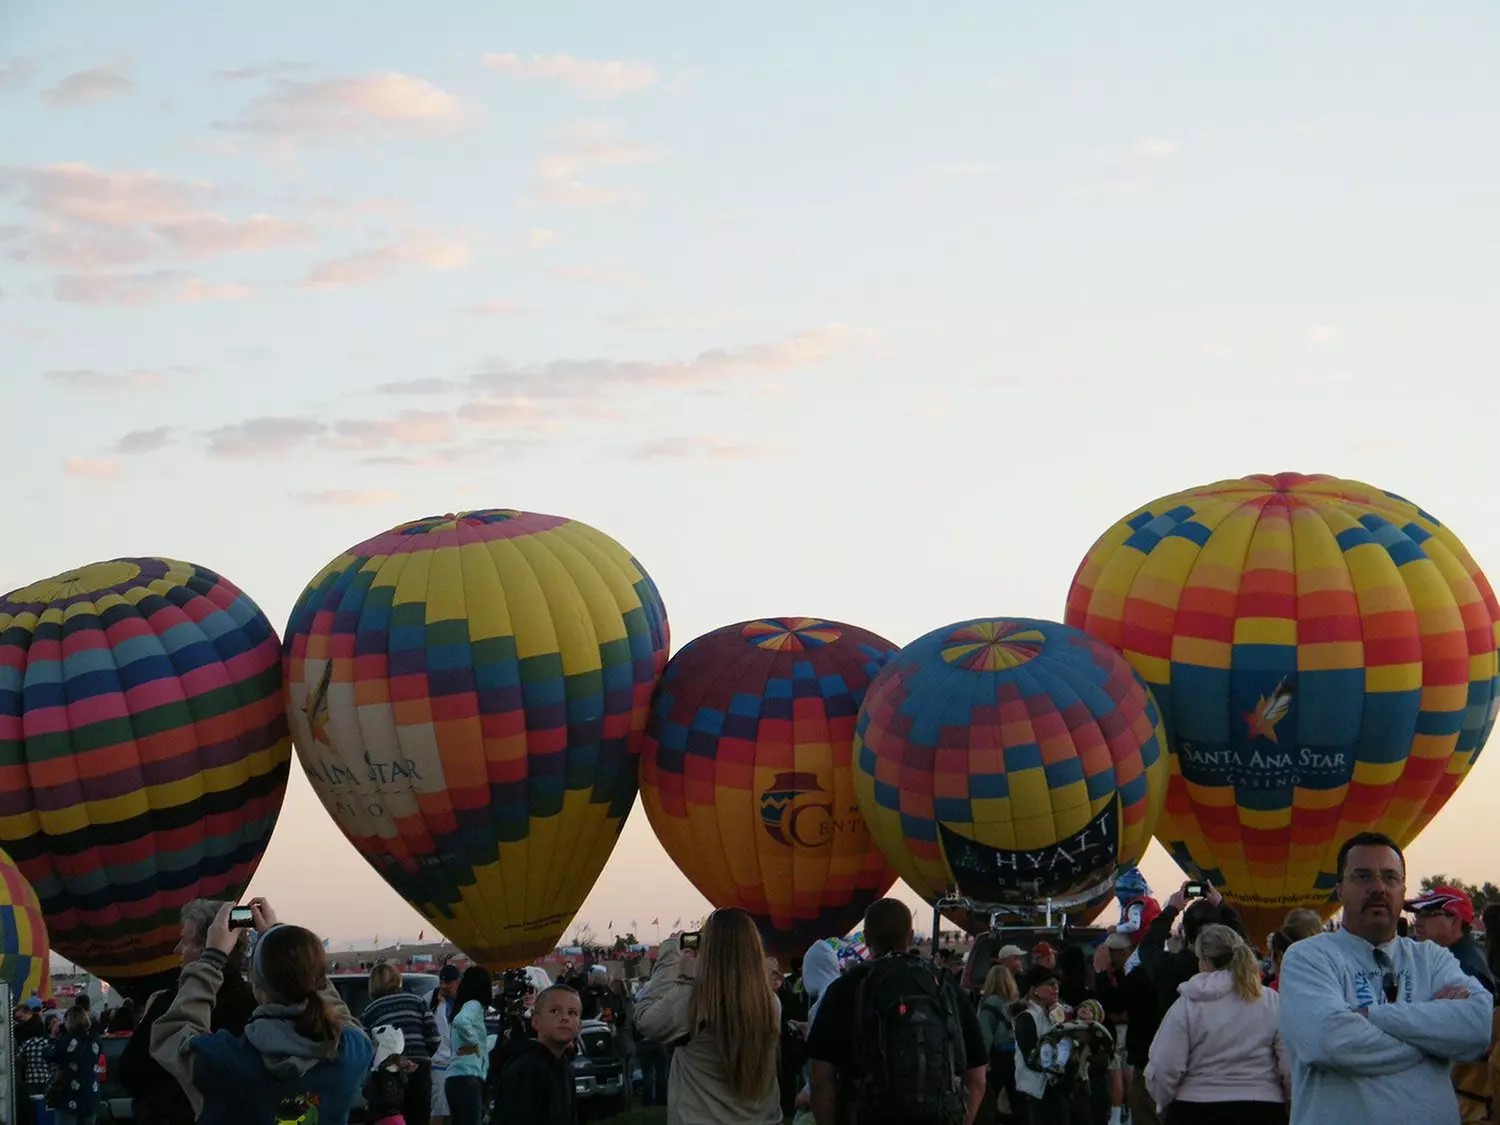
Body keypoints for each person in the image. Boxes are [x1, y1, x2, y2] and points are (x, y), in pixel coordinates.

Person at [1276, 831, 1492, 1124]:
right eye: (1363, 876)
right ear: (1339, 890)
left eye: (1390, 877)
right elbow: (1329, 1043)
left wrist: (1370, 1015)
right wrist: (1432, 1037)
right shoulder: (1307, 958)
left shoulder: (1432, 957)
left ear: (1403, 890)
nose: (1378, 887)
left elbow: (1477, 1028)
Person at [149, 897, 373, 1125]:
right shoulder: (351, 1052)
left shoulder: (228, 1060)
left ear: (257, 989)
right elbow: (342, 1017)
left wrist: (212, 958)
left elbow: (172, 1033)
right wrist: (284, 942)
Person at [806, 898, 986, 1125]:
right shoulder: (944, 986)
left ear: (867, 938)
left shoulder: (846, 989)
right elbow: (977, 1078)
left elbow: (821, 1077)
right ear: (910, 936)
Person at [635, 907, 783, 1123]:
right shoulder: (770, 1003)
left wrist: (672, 963)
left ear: (709, 948)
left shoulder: (695, 1001)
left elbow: (644, 1019)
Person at [121, 898, 258, 1125]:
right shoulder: (258, 1007)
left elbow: (132, 1072)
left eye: (185, 942)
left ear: (210, 946)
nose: (177, 950)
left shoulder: (171, 1005)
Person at [1144, 924, 1289, 1124]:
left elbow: (1164, 1064)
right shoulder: (1272, 1001)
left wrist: (1164, 1101)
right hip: (1263, 1107)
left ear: (1204, 960)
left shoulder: (1187, 1005)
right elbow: (1289, 1062)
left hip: (1196, 1107)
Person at [363, 962, 440, 1125]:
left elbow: (366, 1050)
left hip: (389, 1076)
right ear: (397, 979)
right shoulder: (418, 1002)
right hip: (420, 1071)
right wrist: (422, 1056)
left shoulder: (370, 1011)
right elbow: (434, 1038)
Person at [495, 984, 581, 1125]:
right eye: (555, 1011)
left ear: (579, 1026)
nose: (564, 1018)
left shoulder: (565, 1067)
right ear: (536, 1022)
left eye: (572, 1013)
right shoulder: (526, 1069)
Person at [1408, 885, 1496, 997]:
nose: (1417, 922)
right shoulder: (1457, 955)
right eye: (1417, 915)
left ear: (1454, 922)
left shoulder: (1465, 970)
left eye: (1427, 914)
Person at [444, 967, 493, 1125]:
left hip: (455, 1078)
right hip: (468, 1077)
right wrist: (475, 1042)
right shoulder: (474, 1005)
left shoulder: (461, 1006)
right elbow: (461, 1021)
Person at [48, 1003, 101, 1125]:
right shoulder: (96, 1039)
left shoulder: (65, 1041)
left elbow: (50, 1055)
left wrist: (52, 1036)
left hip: (69, 1094)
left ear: (68, 1021)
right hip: (91, 1093)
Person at [427, 964, 462, 1125]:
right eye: (442, 983)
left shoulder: (465, 1002)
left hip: (460, 1064)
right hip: (439, 1064)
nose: (444, 987)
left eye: (449, 983)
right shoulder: (429, 999)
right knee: (438, 1109)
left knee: (456, 1110)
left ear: (457, 983)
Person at [364, 1026, 410, 1125]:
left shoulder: (383, 1072)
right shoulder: (398, 1071)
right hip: (397, 1118)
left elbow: (370, 1093)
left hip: (384, 1119)